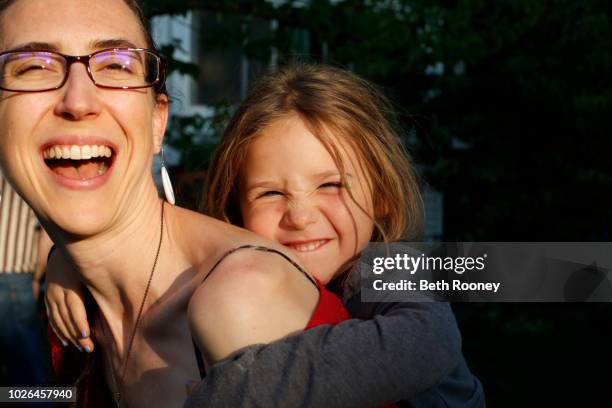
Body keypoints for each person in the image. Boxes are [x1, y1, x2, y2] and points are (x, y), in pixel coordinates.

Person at [47, 63, 484, 406]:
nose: (299, 214)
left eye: (331, 185)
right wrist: (67, 259)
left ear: (383, 197)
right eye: (270, 193)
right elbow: (163, 242)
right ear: (237, 210)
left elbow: (430, 343)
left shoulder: (388, 266)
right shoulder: (241, 266)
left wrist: (243, 390)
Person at [0, 170, 53, 386]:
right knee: (28, 362)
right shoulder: (26, 175)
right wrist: (37, 276)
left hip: (11, 277)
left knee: (26, 360)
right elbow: (47, 234)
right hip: (14, 277)